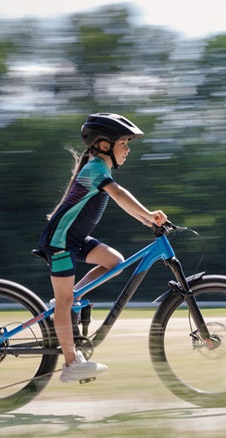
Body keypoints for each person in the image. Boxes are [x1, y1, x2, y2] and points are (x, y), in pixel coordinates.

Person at [39, 112, 168, 383]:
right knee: (63, 301)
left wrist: (148, 220)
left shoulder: (99, 169)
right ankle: (71, 363)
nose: (128, 149)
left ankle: (69, 299)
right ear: (105, 145)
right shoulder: (96, 169)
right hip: (60, 241)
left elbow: (122, 200)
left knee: (114, 261)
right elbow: (120, 195)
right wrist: (149, 214)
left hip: (73, 239)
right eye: (124, 142)